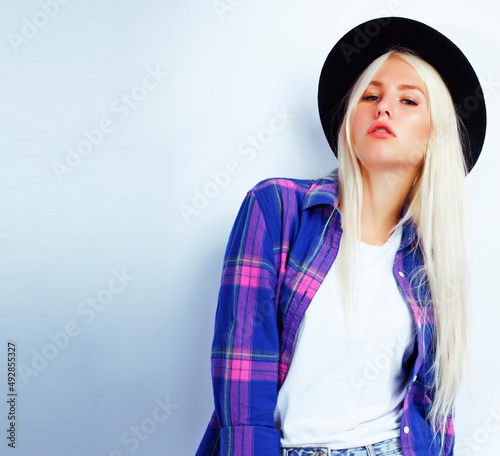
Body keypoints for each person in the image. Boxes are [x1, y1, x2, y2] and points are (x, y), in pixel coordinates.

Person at [195, 16, 487, 456]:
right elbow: (241, 385)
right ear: (349, 121)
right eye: (370, 95)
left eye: (409, 101)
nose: (383, 108)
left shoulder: (430, 257)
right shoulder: (276, 210)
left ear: (434, 137)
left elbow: (433, 409)